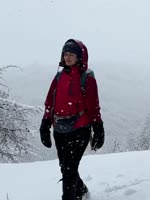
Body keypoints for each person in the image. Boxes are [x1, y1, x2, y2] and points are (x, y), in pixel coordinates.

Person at [39, 39, 105, 200]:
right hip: (59, 129)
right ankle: (81, 190)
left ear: (79, 56)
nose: (67, 57)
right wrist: (45, 124)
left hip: (80, 128)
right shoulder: (59, 77)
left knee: (69, 168)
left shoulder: (87, 78)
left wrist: (98, 127)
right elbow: (50, 102)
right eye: (65, 54)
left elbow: (93, 105)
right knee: (66, 167)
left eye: (71, 54)